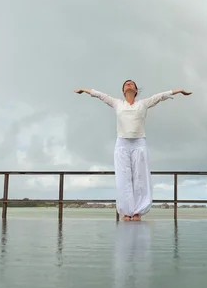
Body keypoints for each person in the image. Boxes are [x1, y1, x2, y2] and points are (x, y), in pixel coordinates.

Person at [74, 80, 191, 221]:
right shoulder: (117, 103)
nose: (129, 84)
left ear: (136, 90)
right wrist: (83, 89)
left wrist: (177, 91)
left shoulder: (143, 104)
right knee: (123, 178)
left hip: (139, 143)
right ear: (123, 90)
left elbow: (159, 96)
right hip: (122, 143)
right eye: (126, 84)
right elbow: (100, 95)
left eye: (131, 83)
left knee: (140, 177)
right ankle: (127, 211)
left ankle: (137, 211)